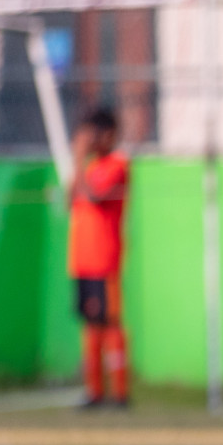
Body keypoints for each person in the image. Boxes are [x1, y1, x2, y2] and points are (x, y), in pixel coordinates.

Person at [68, 106, 130, 409]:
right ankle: (95, 391)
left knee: (111, 324)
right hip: (81, 259)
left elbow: (94, 196)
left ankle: (120, 393)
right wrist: (77, 162)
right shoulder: (89, 167)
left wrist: (79, 158)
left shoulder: (117, 165)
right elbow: (72, 199)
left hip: (105, 259)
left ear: (109, 134)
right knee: (90, 326)